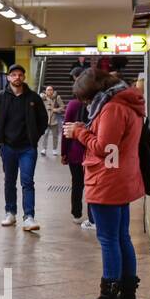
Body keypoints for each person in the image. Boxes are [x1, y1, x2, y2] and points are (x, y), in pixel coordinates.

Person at [63, 68, 144, 299]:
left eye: (87, 98)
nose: (87, 103)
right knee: (122, 238)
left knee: (109, 239)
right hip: (121, 177)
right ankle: (128, 297)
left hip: (107, 180)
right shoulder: (126, 103)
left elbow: (104, 147)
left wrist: (78, 132)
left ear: (97, 92)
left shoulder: (112, 108)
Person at [0, 63, 49, 231]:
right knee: (9, 181)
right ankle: (10, 213)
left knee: (27, 181)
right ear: (8, 78)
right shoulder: (0, 98)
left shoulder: (33, 98)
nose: (17, 77)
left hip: (27, 148)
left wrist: (35, 136)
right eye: (13, 75)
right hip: (8, 147)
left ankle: (29, 217)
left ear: (24, 77)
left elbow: (43, 120)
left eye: (20, 75)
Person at [61, 78, 96, 231]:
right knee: (92, 185)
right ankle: (92, 217)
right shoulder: (99, 105)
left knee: (77, 184)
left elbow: (66, 129)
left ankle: (76, 213)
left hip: (75, 152)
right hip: (92, 151)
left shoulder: (73, 104)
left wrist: (64, 152)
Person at [42, 85, 65, 156]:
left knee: (55, 136)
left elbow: (62, 107)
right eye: (48, 90)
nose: (49, 91)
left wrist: (56, 110)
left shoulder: (57, 97)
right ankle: (44, 149)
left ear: (53, 90)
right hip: (45, 120)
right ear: (45, 91)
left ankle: (54, 149)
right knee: (45, 135)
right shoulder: (43, 98)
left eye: (51, 89)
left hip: (54, 120)